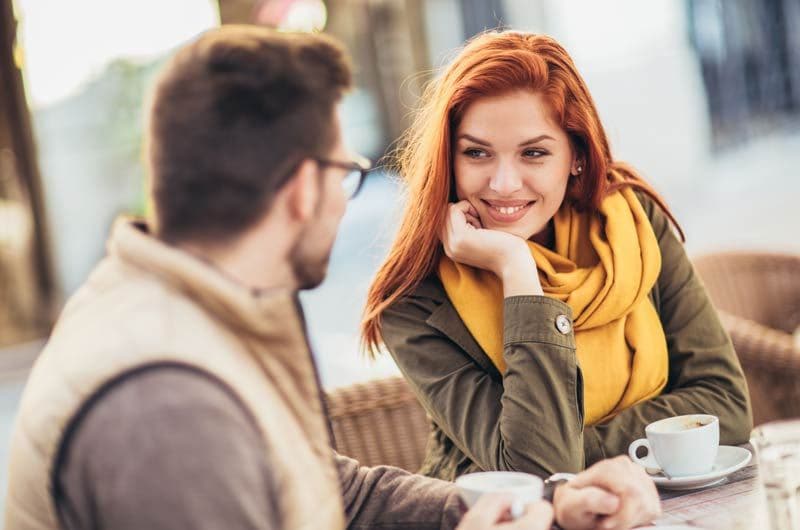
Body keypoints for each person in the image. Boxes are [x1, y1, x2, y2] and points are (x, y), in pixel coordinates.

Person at [5, 25, 660, 530]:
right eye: (344, 174)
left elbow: (324, 484)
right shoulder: (166, 407)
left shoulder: (184, 306)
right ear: (300, 190)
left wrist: (525, 503)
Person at [362, 30, 753, 481]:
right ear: (448, 159)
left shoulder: (630, 220)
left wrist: (575, 446)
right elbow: (538, 470)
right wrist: (516, 270)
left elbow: (726, 405)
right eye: (476, 153)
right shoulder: (416, 300)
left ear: (577, 156)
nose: (504, 183)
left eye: (533, 153)